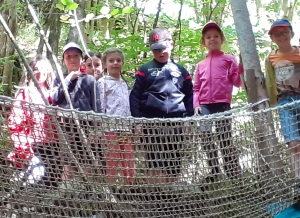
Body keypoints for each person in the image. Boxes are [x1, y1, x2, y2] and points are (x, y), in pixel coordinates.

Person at [130, 27, 194, 185]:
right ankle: (155, 194)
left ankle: (170, 193)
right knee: (153, 158)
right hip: (151, 122)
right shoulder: (144, 70)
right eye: (156, 50)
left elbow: (190, 96)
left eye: (163, 48)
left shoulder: (181, 70)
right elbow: (135, 96)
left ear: (171, 44)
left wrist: (189, 120)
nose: (160, 53)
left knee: (173, 159)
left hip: (176, 123)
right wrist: (137, 121)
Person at [193, 22, 243, 181]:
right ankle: (215, 171)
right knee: (206, 135)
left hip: (222, 105)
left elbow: (237, 82)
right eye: (208, 37)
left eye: (215, 36)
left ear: (222, 39)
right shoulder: (200, 64)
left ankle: (233, 172)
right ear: (203, 42)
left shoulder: (229, 59)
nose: (212, 39)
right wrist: (196, 105)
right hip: (204, 106)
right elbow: (196, 88)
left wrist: (242, 67)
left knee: (224, 137)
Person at [51, 42, 101, 183]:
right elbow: (55, 98)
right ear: (63, 60)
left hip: (86, 125)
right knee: (68, 160)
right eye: (68, 57)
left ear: (82, 60)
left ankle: (87, 191)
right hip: (67, 126)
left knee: (87, 160)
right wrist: (67, 80)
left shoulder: (90, 80)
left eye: (76, 56)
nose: (72, 59)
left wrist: (95, 129)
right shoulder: (59, 79)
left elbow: (96, 106)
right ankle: (67, 191)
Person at [7, 56, 60, 187]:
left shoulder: (53, 94)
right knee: (33, 180)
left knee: (51, 184)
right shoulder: (24, 95)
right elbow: (15, 124)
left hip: (53, 147)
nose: (39, 72)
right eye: (35, 69)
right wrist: (25, 151)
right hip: (33, 147)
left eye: (43, 68)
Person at [265, 18, 300, 184]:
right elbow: (268, 82)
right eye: (276, 34)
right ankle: (298, 182)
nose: (281, 36)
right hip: (284, 102)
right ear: (272, 38)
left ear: (291, 34)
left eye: (285, 32)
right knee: (293, 143)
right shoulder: (270, 58)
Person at [98, 48, 135, 198]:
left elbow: (128, 106)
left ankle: (128, 188)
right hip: (110, 127)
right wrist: (100, 129)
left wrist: (132, 125)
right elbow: (101, 106)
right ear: (105, 64)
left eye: (118, 60)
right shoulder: (102, 82)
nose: (115, 63)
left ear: (123, 63)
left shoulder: (125, 83)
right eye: (111, 60)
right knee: (112, 159)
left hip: (125, 128)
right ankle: (111, 189)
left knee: (128, 158)